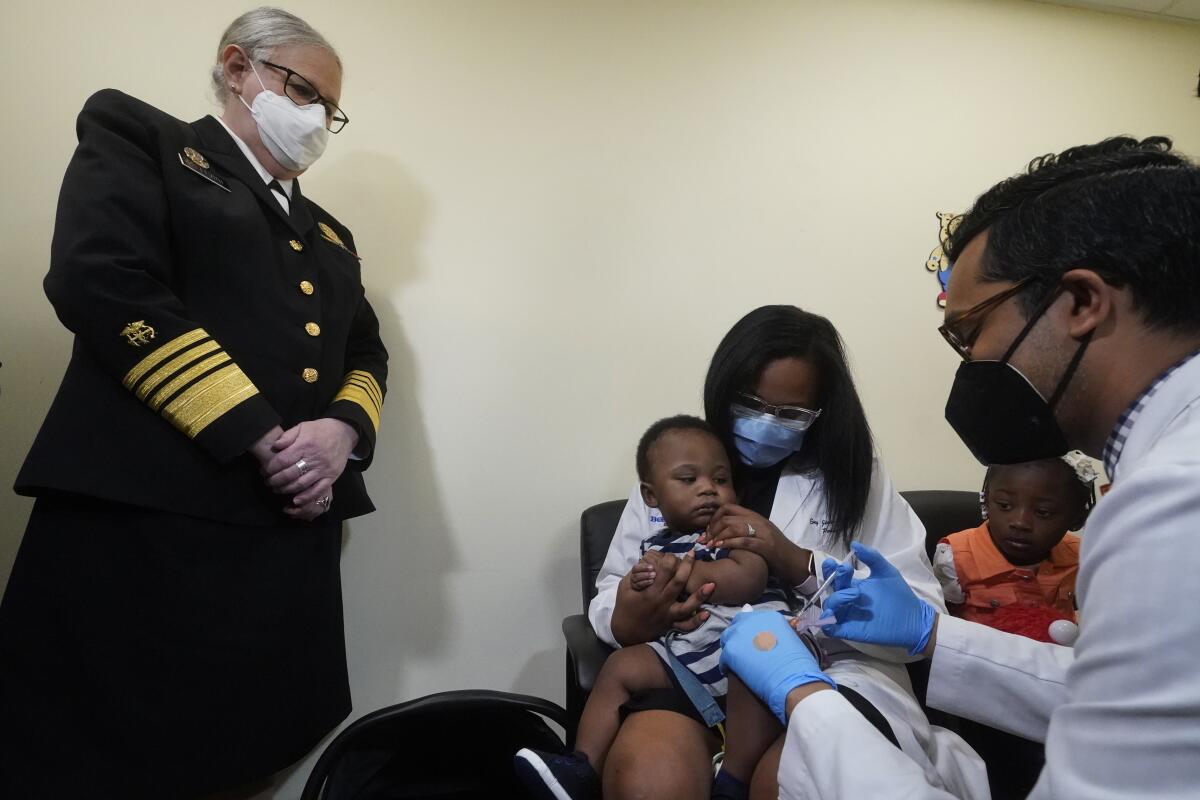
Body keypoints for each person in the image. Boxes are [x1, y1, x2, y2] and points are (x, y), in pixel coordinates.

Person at [721, 135, 1200, 798]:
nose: (968, 362)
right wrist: (929, 637)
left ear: (1083, 303)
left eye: (969, 331)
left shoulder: (1174, 503)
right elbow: (1124, 704)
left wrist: (809, 703)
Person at [0, 8, 388, 799]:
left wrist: (341, 434)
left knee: (237, 758)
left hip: (283, 542)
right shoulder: (144, 139)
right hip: (146, 526)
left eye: (329, 109)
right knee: (93, 757)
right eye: (302, 90)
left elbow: (365, 352)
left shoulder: (332, 235)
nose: (314, 118)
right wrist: (260, 435)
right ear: (237, 66)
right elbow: (101, 279)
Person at [587, 306, 985, 800]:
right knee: (648, 776)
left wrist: (793, 561)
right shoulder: (679, 463)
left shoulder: (856, 477)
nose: (766, 424)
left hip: (829, 673)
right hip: (691, 666)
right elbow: (610, 594)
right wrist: (635, 609)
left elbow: (921, 616)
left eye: (791, 414)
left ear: (820, 412)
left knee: (784, 779)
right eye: (751, 403)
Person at [517, 415, 795, 799]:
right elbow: (628, 600)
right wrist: (642, 585)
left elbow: (750, 578)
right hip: (687, 661)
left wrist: (687, 573)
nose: (708, 491)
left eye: (720, 479)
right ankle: (581, 767)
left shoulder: (734, 530)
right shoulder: (655, 544)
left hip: (749, 656)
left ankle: (734, 779)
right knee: (622, 666)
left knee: (760, 661)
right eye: (688, 480)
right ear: (651, 496)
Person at [933, 453, 1094, 642]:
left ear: (1077, 519)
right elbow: (943, 626)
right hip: (983, 660)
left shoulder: (1079, 555)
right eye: (1004, 505)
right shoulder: (955, 557)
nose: (1020, 522)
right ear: (985, 499)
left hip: (1055, 661)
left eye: (1043, 512)